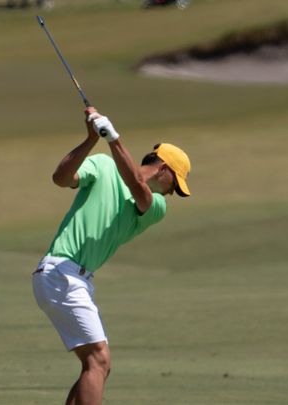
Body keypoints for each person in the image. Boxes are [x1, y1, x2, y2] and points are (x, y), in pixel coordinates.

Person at [32, 106, 191, 404]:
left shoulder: (156, 206)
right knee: (99, 360)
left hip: (71, 279)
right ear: (164, 169)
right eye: (176, 184)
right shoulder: (103, 165)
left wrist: (113, 138)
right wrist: (91, 139)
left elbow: (137, 185)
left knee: (96, 364)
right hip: (61, 273)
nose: (173, 193)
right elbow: (61, 178)